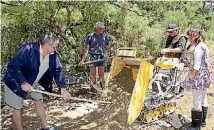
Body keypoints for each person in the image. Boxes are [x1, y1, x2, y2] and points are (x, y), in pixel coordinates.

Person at [3, 32, 72, 130]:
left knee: (39, 101)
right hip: (15, 82)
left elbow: (58, 69)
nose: (55, 49)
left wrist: (63, 88)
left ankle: (45, 126)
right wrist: (22, 82)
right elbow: (12, 67)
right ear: (47, 45)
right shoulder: (28, 49)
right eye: (54, 47)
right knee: (17, 109)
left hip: (32, 82)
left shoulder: (52, 53)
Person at [186, 28, 211, 129]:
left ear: (193, 37)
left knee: (197, 102)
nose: (188, 39)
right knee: (203, 99)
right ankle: (203, 122)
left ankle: (195, 127)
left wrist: (191, 79)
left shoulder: (197, 49)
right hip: (204, 75)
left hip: (198, 77)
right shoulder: (204, 46)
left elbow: (196, 66)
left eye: (189, 36)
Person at [79, 21, 114, 89]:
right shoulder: (90, 36)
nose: (102, 30)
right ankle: (93, 88)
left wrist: (112, 51)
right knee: (92, 74)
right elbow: (86, 49)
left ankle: (102, 89)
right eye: (100, 28)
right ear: (97, 28)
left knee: (101, 74)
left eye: (103, 28)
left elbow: (107, 46)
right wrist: (83, 60)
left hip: (102, 56)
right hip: (92, 56)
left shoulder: (104, 36)